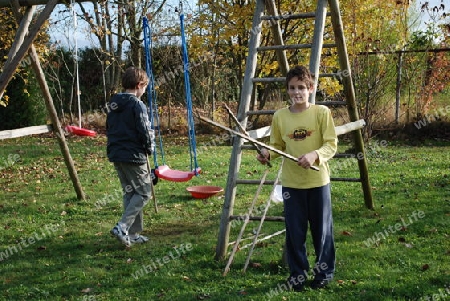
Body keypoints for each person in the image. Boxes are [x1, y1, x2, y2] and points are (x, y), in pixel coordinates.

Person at [256, 65, 337, 291]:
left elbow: (331, 144)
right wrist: (266, 153)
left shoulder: (321, 113)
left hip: (318, 182)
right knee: (295, 233)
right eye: (292, 88)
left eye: (301, 87)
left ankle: (323, 274)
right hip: (291, 185)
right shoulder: (280, 116)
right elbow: (276, 145)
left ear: (310, 88)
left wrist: (315, 155)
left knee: (322, 232)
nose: (296, 92)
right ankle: (298, 275)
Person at [106, 66, 153, 247]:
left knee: (130, 193)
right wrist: (149, 148)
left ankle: (133, 234)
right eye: (145, 87)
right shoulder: (137, 105)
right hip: (133, 155)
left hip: (117, 153)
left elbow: (109, 128)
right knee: (144, 193)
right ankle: (122, 226)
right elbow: (144, 129)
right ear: (139, 85)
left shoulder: (113, 103)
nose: (144, 91)